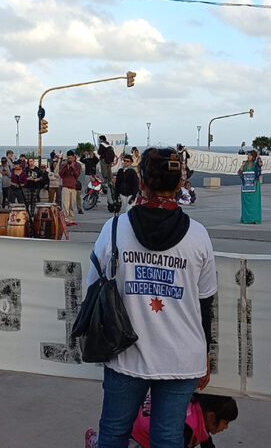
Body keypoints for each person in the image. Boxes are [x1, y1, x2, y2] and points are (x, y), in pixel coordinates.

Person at [90, 146, 216, 448]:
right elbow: (206, 303)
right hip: (183, 357)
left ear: (142, 182)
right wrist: (206, 354)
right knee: (168, 438)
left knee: (114, 433)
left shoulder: (114, 229)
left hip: (126, 355)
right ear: (180, 184)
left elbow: (93, 285)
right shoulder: (198, 235)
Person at [90, 393, 237, 448]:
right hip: (137, 436)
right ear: (211, 416)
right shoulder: (187, 427)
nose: (226, 427)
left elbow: (206, 441)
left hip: (140, 420)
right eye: (226, 422)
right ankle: (95, 442)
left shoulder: (197, 411)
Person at [238, 150, 262, 224]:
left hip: (254, 185)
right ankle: (246, 219)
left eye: (250, 155)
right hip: (245, 185)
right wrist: (242, 166)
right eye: (248, 155)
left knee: (254, 203)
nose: (248, 157)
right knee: (245, 203)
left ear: (253, 157)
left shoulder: (256, 164)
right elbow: (239, 173)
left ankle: (254, 219)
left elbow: (259, 169)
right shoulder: (245, 164)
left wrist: (259, 159)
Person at [60, 150, 81, 225]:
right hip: (66, 186)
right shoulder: (64, 164)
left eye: (71, 158)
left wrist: (73, 168)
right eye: (68, 158)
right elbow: (61, 174)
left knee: (72, 204)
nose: (70, 160)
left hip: (73, 186)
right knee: (65, 204)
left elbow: (77, 175)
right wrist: (65, 166)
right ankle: (66, 219)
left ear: (74, 158)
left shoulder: (77, 165)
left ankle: (70, 219)